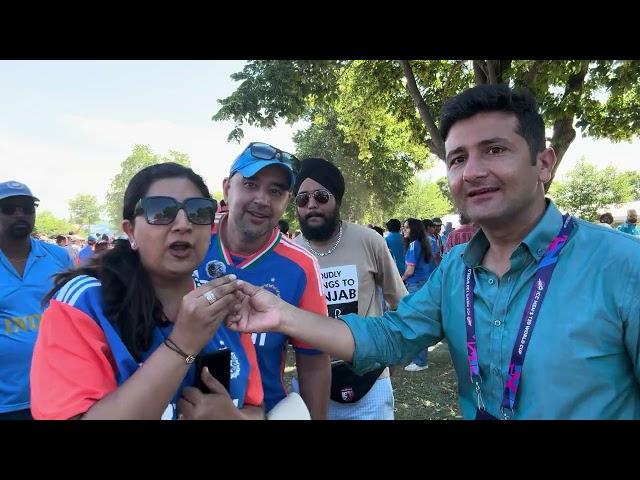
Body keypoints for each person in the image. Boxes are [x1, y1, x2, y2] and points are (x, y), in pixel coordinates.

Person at [226, 84, 640, 420]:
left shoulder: (623, 266)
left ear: (544, 163)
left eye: (495, 150)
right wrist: (284, 316)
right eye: (458, 158)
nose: (473, 172)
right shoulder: (456, 268)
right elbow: (390, 335)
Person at [30, 163, 264, 420]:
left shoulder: (223, 303)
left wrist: (233, 418)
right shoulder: (85, 302)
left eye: (198, 211)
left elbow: (255, 408)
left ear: (210, 227)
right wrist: (183, 344)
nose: (183, 224)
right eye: (161, 211)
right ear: (130, 231)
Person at [195, 142, 330, 419]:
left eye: (276, 191)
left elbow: (314, 358)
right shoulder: (191, 241)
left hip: (263, 412)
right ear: (227, 188)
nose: (262, 199)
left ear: (286, 200)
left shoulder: (301, 267)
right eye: (250, 184)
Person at [293, 157, 407, 420]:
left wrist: (392, 352)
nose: (311, 204)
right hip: (312, 381)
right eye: (302, 198)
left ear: (336, 200)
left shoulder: (370, 241)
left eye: (321, 196)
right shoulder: (291, 254)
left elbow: (399, 301)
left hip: (371, 379)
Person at [0, 181, 74, 419]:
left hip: (58, 394)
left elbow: (76, 311)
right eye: (9, 208)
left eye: (27, 207)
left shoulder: (59, 256)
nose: (20, 213)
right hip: (7, 404)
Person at [400, 218, 434, 372]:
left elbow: (410, 270)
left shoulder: (414, 245)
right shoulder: (425, 242)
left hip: (415, 286)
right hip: (423, 284)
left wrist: (400, 280)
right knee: (419, 322)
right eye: (403, 227)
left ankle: (420, 361)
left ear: (414, 229)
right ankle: (419, 358)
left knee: (416, 323)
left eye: (407, 227)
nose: (404, 230)